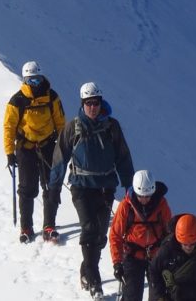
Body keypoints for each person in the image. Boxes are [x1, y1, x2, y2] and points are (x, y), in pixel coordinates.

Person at [49, 81, 135, 298]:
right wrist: (54, 186)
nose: (93, 107)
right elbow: (60, 157)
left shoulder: (111, 127)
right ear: (82, 104)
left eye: (95, 103)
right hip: (81, 186)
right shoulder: (74, 127)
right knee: (88, 229)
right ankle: (94, 281)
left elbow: (123, 156)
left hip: (106, 187)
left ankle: (86, 270)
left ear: (101, 102)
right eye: (88, 103)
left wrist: (129, 185)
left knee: (99, 235)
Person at [3, 60, 66, 243]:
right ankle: (26, 227)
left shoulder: (52, 97)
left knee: (50, 186)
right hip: (26, 148)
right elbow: (9, 127)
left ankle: (49, 225)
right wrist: (9, 152)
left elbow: (61, 123)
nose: (35, 84)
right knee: (26, 189)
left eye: (37, 79)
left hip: (48, 146)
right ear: (24, 80)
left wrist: (62, 147)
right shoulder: (17, 101)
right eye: (31, 80)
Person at [110, 169, 173, 301]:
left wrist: (169, 256)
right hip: (133, 255)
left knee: (158, 295)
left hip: (156, 256)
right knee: (131, 295)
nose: (144, 199)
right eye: (140, 196)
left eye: (148, 196)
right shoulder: (126, 206)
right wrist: (117, 263)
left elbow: (170, 233)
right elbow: (115, 235)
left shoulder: (162, 205)